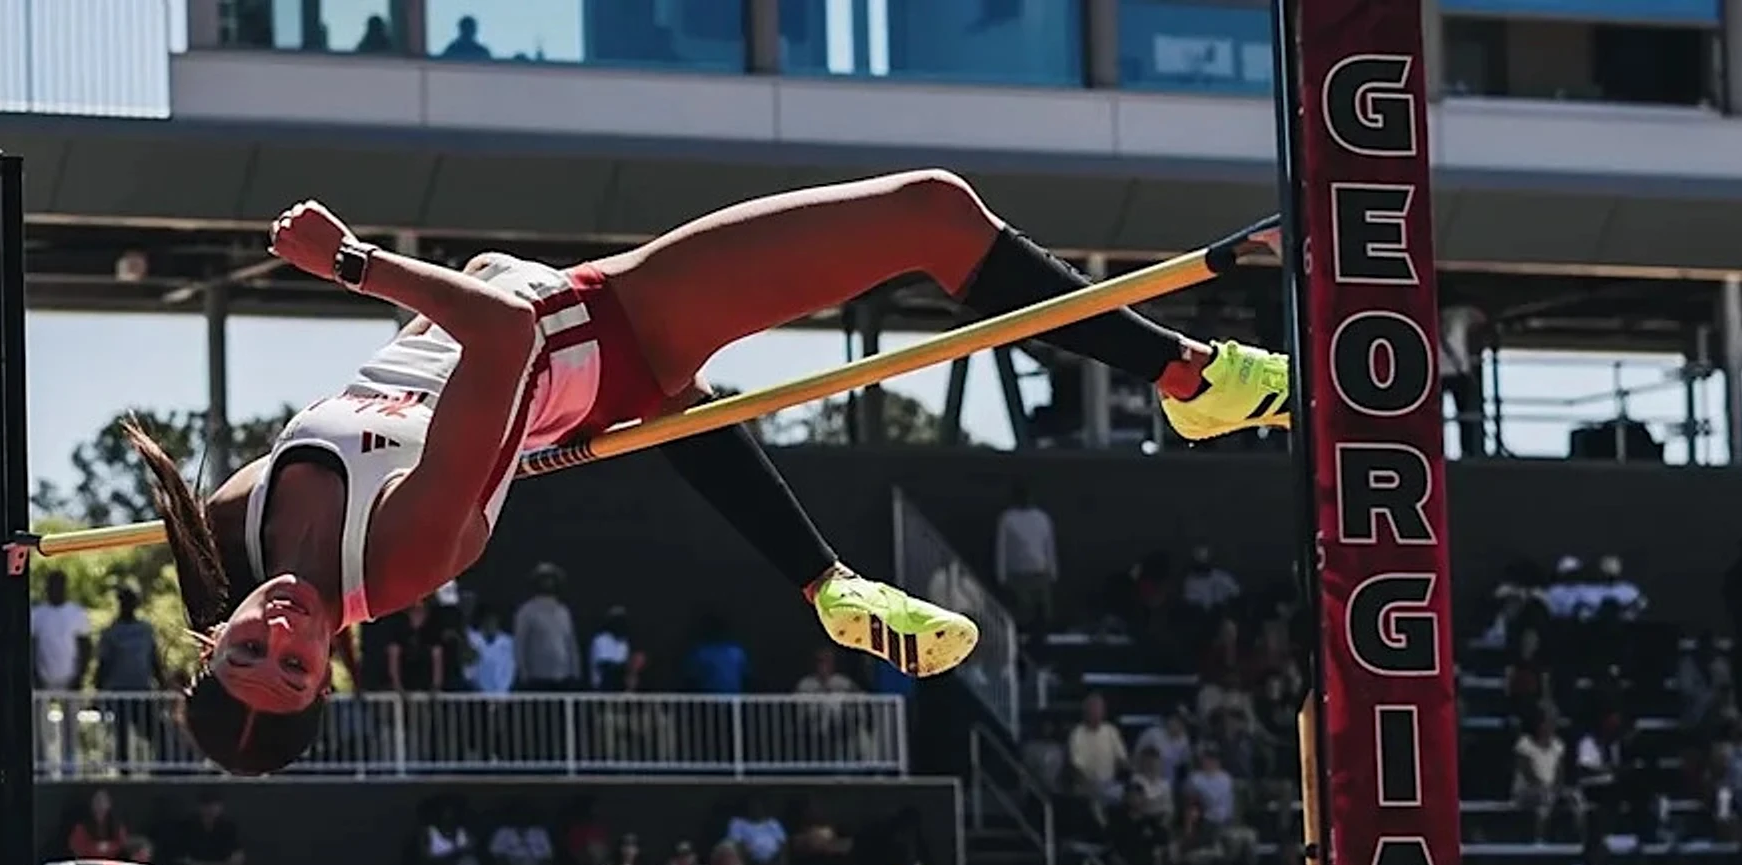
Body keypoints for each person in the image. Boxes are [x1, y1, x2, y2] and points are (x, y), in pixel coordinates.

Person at [127, 170, 1290, 774]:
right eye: (296, 665)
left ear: (215, 635)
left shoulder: (235, 526)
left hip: (572, 314)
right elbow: (506, 345)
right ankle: (1187, 381)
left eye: (248, 651)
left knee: (703, 404)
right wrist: (361, 263)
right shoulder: (407, 557)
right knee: (933, 216)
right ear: (331, 674)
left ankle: (826, 584)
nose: (283, 630)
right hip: (602, 333)